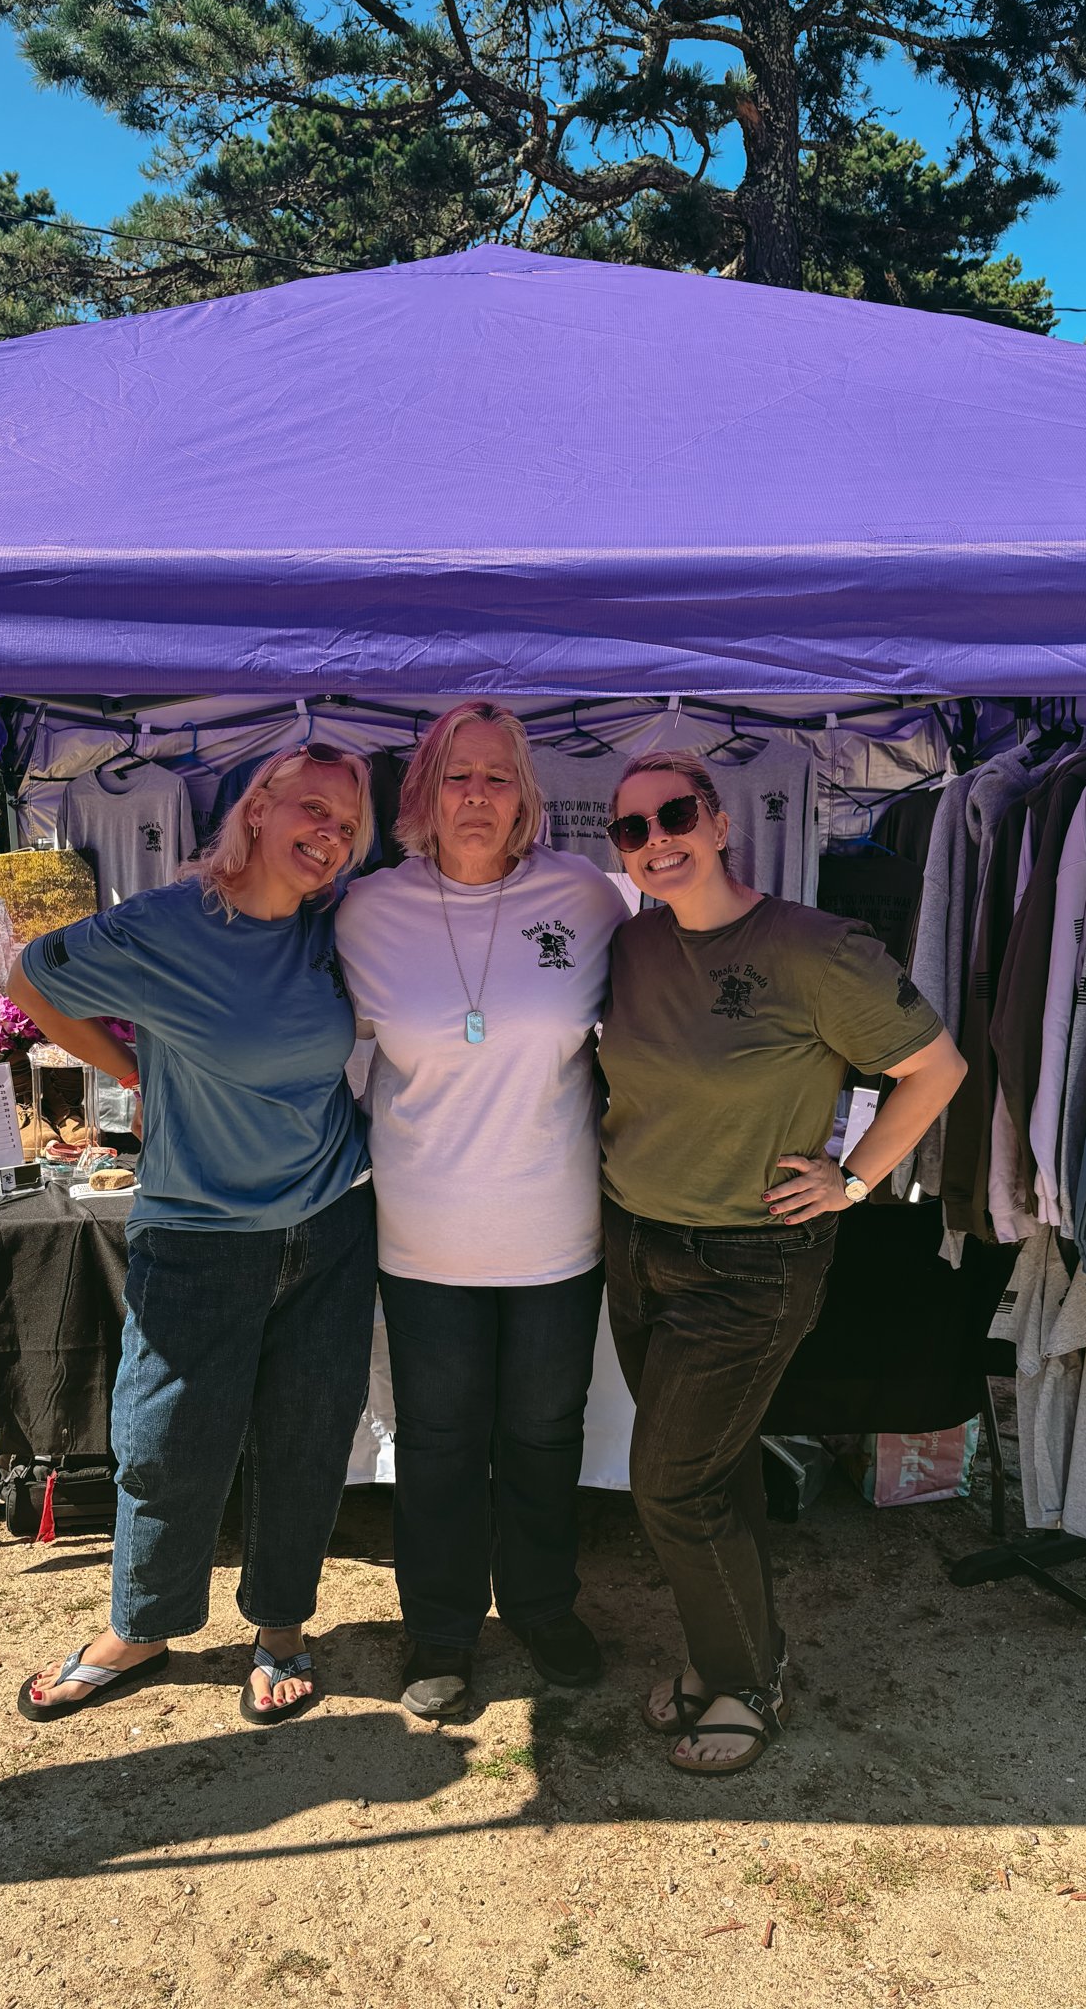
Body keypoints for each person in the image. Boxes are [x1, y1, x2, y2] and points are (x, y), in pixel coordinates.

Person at [597, 751, 965, 1775]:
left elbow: (936, 1067)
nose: (655, 840)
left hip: (750, 1265)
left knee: (670, 1482)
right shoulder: (630, 944)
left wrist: (853, 1179)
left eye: (674, 815)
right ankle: (737, 1647)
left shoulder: (815, 948)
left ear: (718, 822)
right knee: (712, 1471)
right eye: (631, 829)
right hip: (634, 1241)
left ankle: (746, 1679)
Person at [7, 744, 379, 1726]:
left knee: (307, 1439)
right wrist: (126, 1067)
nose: (331, 834)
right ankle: (141, 1622)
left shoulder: (328, 923)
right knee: (166, 1443)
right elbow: (32, 973)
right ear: (256, 809)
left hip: (331, 1220)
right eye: (313, 808)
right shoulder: (166, 924)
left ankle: (283, 1628)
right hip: (198, 1232)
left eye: (348, 822)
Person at [335, 701, 630, 1719]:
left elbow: (646, 1028)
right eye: (456, 775)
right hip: (422, 1239)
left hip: (558, 1231)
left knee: (546, 1432)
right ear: (421, 792)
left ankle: (544, 1605)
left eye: (498, 776)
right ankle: (442, 1629)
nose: (476, 795)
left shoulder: (586, 896)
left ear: (528, 796)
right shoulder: (366, 911)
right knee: (441, 1438)